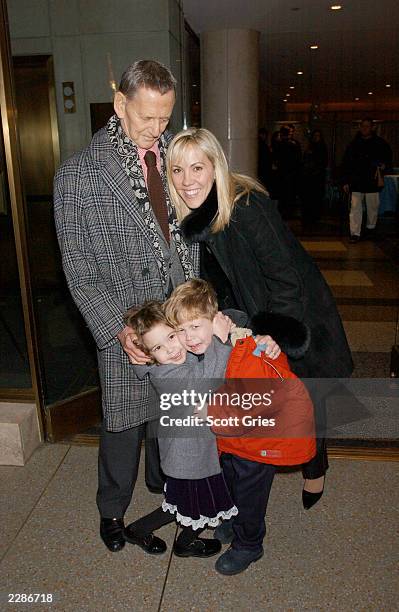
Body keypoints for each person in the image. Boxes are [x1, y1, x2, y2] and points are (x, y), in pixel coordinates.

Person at [166, 127, 353, 517]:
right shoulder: (204, 219)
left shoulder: (246, 205)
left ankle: (314, 467)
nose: (187, 181)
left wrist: (271, 333)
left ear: (216, 166)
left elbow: (286, 277)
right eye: (178, 171)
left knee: (303, 394)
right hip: (255, 314)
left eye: (197, 168)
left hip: (296, 312)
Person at [53, 60, 199, 554]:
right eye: (147, 119)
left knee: (171, 416)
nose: (158, 130)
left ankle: (168, 493)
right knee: (121, 420)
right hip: (125, 318)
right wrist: (119, 328)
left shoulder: (175, 155)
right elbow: (78, 269)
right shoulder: (79, 174)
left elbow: (193, 232)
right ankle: (111, 512)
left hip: (176, 316)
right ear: (120, 105)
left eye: (165, 118)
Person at [123, 299, 238, 559]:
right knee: (192, 505)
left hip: (195, 452)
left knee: (183, 504)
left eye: (172, 336)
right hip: (188, 458)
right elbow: (205, 380)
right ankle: (175, 540)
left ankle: (142, 531)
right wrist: (219, 340)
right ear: (150, 356)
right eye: (159, 347)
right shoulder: (165, 375)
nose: (172, 349)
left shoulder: (176, 361)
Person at [341, 118, 393, 243]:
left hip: (371, 180)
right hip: (357, 180)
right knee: (355, 208)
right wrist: (346, 180)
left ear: (372, 127)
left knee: (372, 206)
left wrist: (383, 166)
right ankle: (355, 233)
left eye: (367, 126)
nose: (365, 128)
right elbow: (346, 163)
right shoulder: (354, 144)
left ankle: (370, 229)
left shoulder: (379, 143)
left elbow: (388, 159)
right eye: (363, 126)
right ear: (360, 127)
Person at [273, 125, 302, 218]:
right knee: (287, 195)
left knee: (286, 195)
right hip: (288, 173)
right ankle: (287, 212)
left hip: (287, 173)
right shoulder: (290, 144)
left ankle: (286, 213)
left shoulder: (282, 144)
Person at [300, 129, 328, 228]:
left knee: (315, 199)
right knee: (308, 199)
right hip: (309, 179)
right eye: (315, 136)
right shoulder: (310, 148)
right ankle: (308, 218)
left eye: (318, 136)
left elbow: (323, 162)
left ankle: (313, 218)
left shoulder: (321, 148)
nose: (316, 138)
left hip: (316, 179)